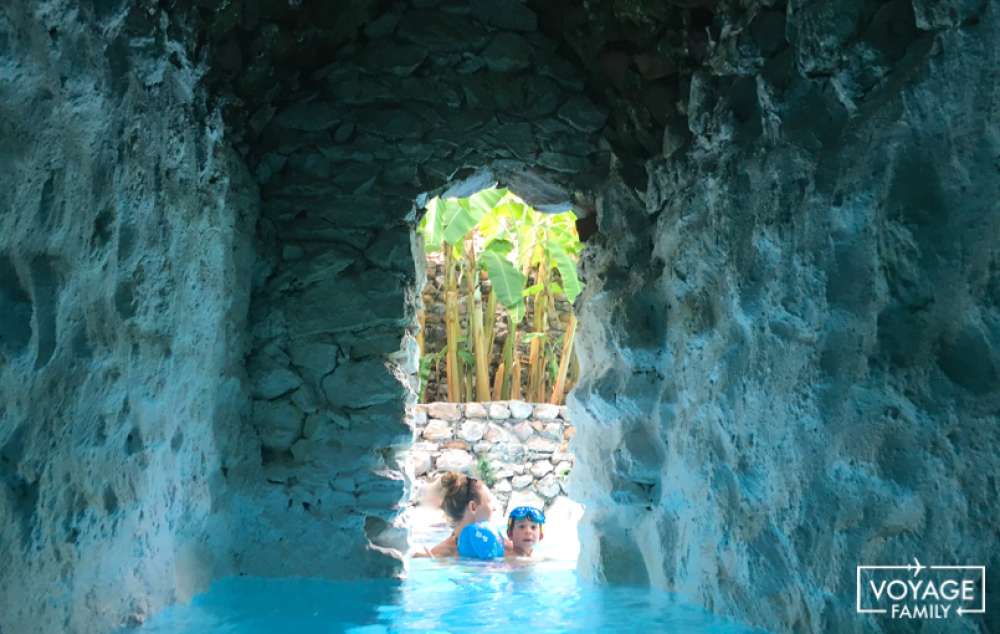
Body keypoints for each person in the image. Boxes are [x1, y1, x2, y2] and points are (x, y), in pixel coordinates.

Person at [414, 471, 512, 558]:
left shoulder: (441, 554)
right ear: (473, 507)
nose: (493, 508)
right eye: (489, 501)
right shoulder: (439, 555)